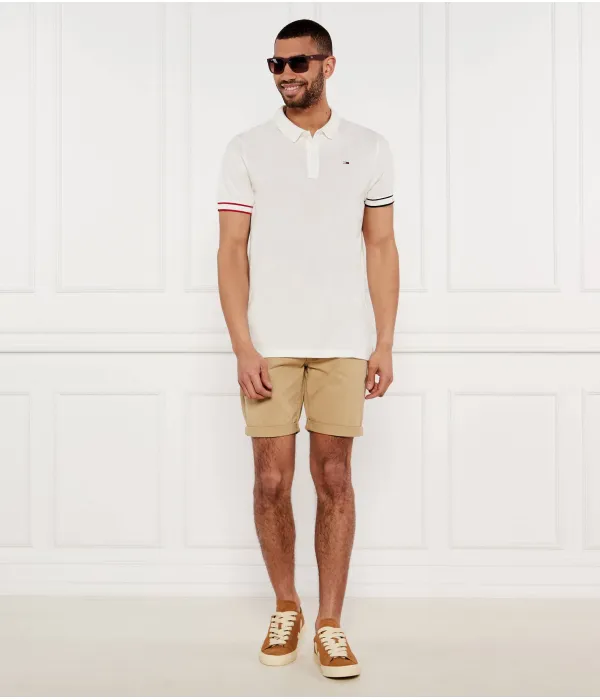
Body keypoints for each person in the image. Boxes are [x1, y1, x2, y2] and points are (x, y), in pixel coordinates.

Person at [216, 18, 399, 679]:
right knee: (271, 480)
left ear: (328, 65)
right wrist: (243, 345)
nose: (286, 74)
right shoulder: (247, 147)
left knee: (335, 479)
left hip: (343, 341)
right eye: (276, 64)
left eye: (298, 62)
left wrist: (384, 341)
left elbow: (381, 244)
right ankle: (287, 606)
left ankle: (330, 623)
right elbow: (231, 250)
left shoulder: (369, 146)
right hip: (269, 343)